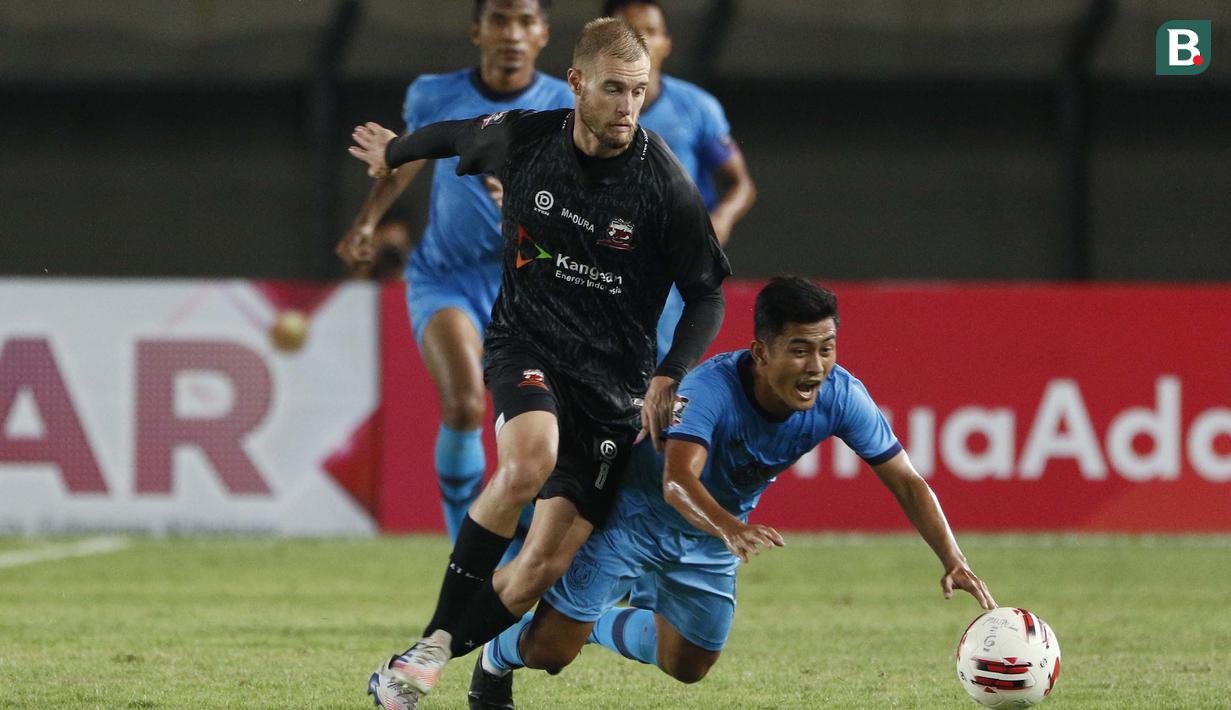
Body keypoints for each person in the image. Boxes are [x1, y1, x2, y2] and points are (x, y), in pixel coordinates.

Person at [349, 18, 732, 710]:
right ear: (578, 84)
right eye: (613, 90)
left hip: (611, 389)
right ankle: (434, 640)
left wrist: (669, 373)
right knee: (527, 461)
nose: (627, 108)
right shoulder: (526, 138)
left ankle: (434, 656)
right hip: (525, 345)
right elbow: (453, 136)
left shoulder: (662, 182)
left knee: (538, 571)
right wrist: (395, 151)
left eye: (638, 92)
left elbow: (706, 293)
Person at [470, 277, 996, 707]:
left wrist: (952, 556)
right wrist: (732, 526)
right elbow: (676, 480)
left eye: (827, 348)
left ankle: (598, 624)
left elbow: (906, 479)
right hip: (635, 518)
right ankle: (495, 656)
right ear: (760, 352)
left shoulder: (841, 395)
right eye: (800, 350)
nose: (816, 366)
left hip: (712, 535)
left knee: (688, 665)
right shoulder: (708, 391)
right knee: (549, 654)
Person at [337, 0, 572, 546]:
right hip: (445, 276)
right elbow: (409, 158)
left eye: (524, 22)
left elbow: (576, 199)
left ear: (542, 34)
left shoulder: (564, 104)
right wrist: (367, 222)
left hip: (530, 286)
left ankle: (531, 548)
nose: (511, 34)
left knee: (543, 435)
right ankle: (465, 548)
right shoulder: (433, 93)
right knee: (466, 403)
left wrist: (523, 199)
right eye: (499, 20)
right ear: (477, 31)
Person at [604, 0, 756, 366]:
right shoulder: (578, 107)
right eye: (628, 31)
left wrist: (719, 222)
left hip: (673, 265)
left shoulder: (696, 108)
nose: (640, 41)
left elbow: (741, 185)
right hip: (604, 258)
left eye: (650, 32)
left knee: (667, 379)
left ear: (666, 44)